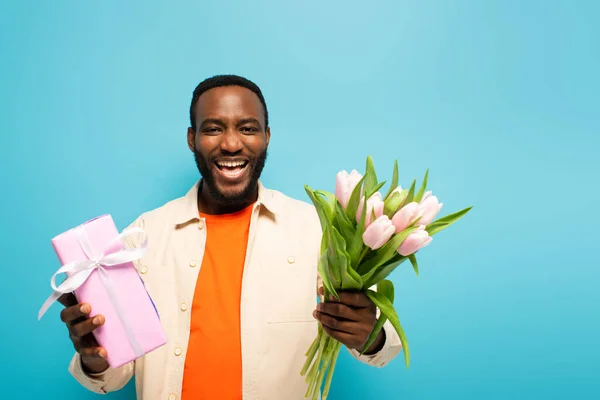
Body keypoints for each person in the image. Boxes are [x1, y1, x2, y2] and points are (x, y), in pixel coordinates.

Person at [57, 75, 402, 400]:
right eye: (213, 129)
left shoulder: (317, 230)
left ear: (267, 136)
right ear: (192, 139)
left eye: (247, 128)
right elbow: (114, 376)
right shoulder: (142, 236)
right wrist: (95, 356)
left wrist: (370, 333)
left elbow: (386, 346)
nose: (232, 143)